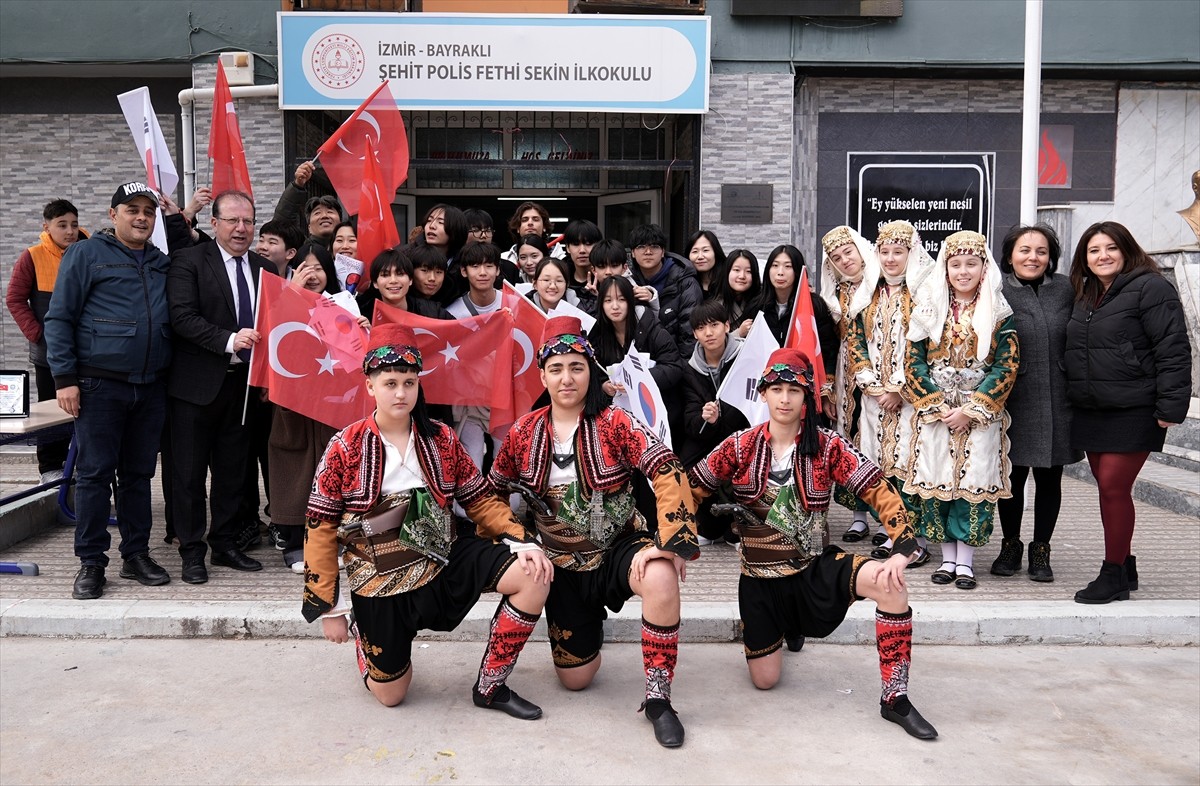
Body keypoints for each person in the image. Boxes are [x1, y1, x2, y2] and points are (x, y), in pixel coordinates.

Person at [304, 322, 554, 714]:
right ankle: (364, 636)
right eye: (390, 383)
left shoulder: (440, 437)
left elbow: (481, 500)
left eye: (408, 382)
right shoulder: (345, 446)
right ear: (370, 385)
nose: (400, 392)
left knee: (532, 574)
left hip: (443, 561)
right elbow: (320, 526)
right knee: (391, 696)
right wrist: (330, 608)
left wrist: (521, 539)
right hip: (379, 581)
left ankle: (491, 685)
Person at [688, 348, 937, 740]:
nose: (784, 399)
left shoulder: (828, 446)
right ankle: (785, 628)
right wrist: (672, 541)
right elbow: (691, 490)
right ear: (763, 394)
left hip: (812, 570)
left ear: (807, 398)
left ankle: (896, 697)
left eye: (794, 390)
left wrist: (903, 545)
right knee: (765, 680)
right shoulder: (738, 445)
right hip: (758, 580)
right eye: (777, 389)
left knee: (891, 585)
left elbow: (876, 488)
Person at [488, 316, 699, 748]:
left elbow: (667, 467)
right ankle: (584, 637)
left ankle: (659, 701)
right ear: (542, 375)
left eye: (577, 367)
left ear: (591, 371)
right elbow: (489, 494)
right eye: (557, 368)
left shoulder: (616, 423)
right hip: (560, 563)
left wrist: (671, 541)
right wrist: (516, 539)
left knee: (660, 576)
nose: (567, 378)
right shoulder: (523, 434)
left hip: (619, 549)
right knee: (576, 679)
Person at [44, 182, 174, 599]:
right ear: (113, 213)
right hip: (98, 385)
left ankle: (136, 555)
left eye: (148, 212)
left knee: (138, 476)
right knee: (95, 475)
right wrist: (64, 379)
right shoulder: (86, 254)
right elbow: (59, 318)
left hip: (150, 387)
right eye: (132, 209)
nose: (141, 217)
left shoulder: (159, 261)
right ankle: (91, 563)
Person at [1064, 221, 1192, 603]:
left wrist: (1171, 406)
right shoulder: (1086, 293)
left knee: (1114, 487)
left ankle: (1113, 575)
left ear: (1126, 250)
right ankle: (1126, 562)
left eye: (1110, 248)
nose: (1102, 256)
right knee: (1108, 488)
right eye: (1093, 250)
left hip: (1134, 407)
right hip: (1092, 408)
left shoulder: (1151, 287)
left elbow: (1173, 348)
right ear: (1084, 259)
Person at [166, 190, 271, 584]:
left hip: (243, 388)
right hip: (195, 387)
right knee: (189, 475)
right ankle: (192, 551)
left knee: (233, 472)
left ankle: (225, 543)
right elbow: (182, 317)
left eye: (248, 221)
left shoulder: (266, 269)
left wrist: (267, 377)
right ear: (214, 223)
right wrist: (229, 340)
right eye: (233, 221)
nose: (241, 228)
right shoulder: (189, 261)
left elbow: (277, 327)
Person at [904, 230, 1019, 591]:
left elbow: (1006, 366)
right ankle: (947, 558)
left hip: (979, 414)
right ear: (946, 268)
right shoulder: (928, 308)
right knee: (938, 481)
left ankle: (966, 562)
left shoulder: (999, 311)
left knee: (972, 481)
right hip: (936, 414)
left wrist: (973, 409)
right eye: (956, 264)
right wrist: (936, 405)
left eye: (972, 264)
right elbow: (913, 361)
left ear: (984, 268)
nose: (963, 271)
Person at [992, 223, 1080, 582]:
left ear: (1051, 257)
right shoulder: (995, 289)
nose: (1033, 257)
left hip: (1059, 397)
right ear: (1010, 255)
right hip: (1013, 398)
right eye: (1024, 250)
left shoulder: (1065, 289)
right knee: (1011, 477)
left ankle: (1041, 549)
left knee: (1050, 478)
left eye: (1041, 251)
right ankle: (1010, 545)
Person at [844, 220, 935, 558]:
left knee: (913, 464)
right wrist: (871, 383)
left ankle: (916, 540)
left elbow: (926, 346)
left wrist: (900, 388)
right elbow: (855, 342)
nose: (891, 259)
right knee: (880, 463)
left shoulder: (923, 292)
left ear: (912, 253)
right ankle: (891, 529)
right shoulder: (869, 292)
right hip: (874, 398)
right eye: (885, 251)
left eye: (899, 252)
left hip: (911, 400)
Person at [6, 199, 85, 482]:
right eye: (62, 225)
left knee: (88, 413)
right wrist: (38, 335)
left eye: (74, 225)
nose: (70, 231)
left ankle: (83, 468)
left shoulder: (91, 251)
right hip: (49, 356)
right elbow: (15, 299)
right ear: (46, 227)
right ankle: (50, 468)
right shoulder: (33, 256)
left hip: (90, 353)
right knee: (52, 410)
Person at [818, 228, 882, 545]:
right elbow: (829, 345)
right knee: (850, 441)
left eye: (848, 252)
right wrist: (828, 389)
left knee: (882, 443)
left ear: (860, 249)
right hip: (845, 379)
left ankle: (887, 518)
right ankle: (859, 517)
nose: (845, 260)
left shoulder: (883, 286)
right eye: (837, 257)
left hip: (881, 373)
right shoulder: (834, 295)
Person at [678, 300, 750, 544]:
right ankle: (709, 524)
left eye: (714, 325)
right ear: (695, 333)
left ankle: (739, 523)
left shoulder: (745, 358)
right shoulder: (690, 369)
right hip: (709, 434)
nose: (708, 333)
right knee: (684, 463)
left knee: (748, 457)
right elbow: (690, 419)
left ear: (727, 326)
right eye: (701, 328)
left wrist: (722, 417)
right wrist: (705, 420)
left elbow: (751, 407)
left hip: (742, 431)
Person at [447, 242, 506, 482]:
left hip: (506, 400)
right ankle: (468, 517)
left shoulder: (514, 304)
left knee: (506, 463)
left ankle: (506, 516)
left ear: (498, 270)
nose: (482, 272)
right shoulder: (452, 312)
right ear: (464, 271)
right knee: (471, 460)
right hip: (469, 401)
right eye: (475, 266)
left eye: (489, 266)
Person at [591, 274, 684, 408]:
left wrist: (638, 379)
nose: (615, 306)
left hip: (653, 408)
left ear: (630, 301)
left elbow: (673, 367)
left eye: (621, 299)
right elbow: (593, 371)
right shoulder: (597, 333)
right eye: (608, 300)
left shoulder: (650, 327)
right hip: (616, 412)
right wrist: (604, 386)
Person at [628, 224, 702, 356]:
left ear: (663, 252)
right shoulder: (629, 282)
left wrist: (681, 369)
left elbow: (689, 331)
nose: (648, 252)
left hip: (676, 361)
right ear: (633, 253)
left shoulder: (685, 281)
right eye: (641, 247)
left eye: (654, 246)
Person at [273, 160, 343, 248]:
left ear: (340, 222)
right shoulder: (301, 251)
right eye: (317, 213)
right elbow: (281, 225)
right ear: (309, 227)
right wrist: (297, 184)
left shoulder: (353, 250)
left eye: (330, 212)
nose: (324, 216)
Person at [712, 248, 761, 338]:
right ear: (727, 272)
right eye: (736, 270)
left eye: (748, 271)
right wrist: (739, 333)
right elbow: (713, 342)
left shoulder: (762, 302)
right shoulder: (715, 306)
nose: (742, 276)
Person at [500, 201, 566, 266]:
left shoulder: (562, 259)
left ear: (544, 227)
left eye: (535, 219)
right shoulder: (503, 260)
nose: (530, 223)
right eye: (525, 220)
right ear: (517, 228)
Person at [563, 218, 603, 313]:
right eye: (576, 244)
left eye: (588, 244)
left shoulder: (606, 277)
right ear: (568, 248)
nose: (582, 250)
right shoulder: (561, 278)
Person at [684, 230, 726, 299]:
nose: (700, 256)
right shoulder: (684, 283)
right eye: (695, 251)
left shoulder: (728, 281)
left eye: (705, 250)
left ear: (716, 252)